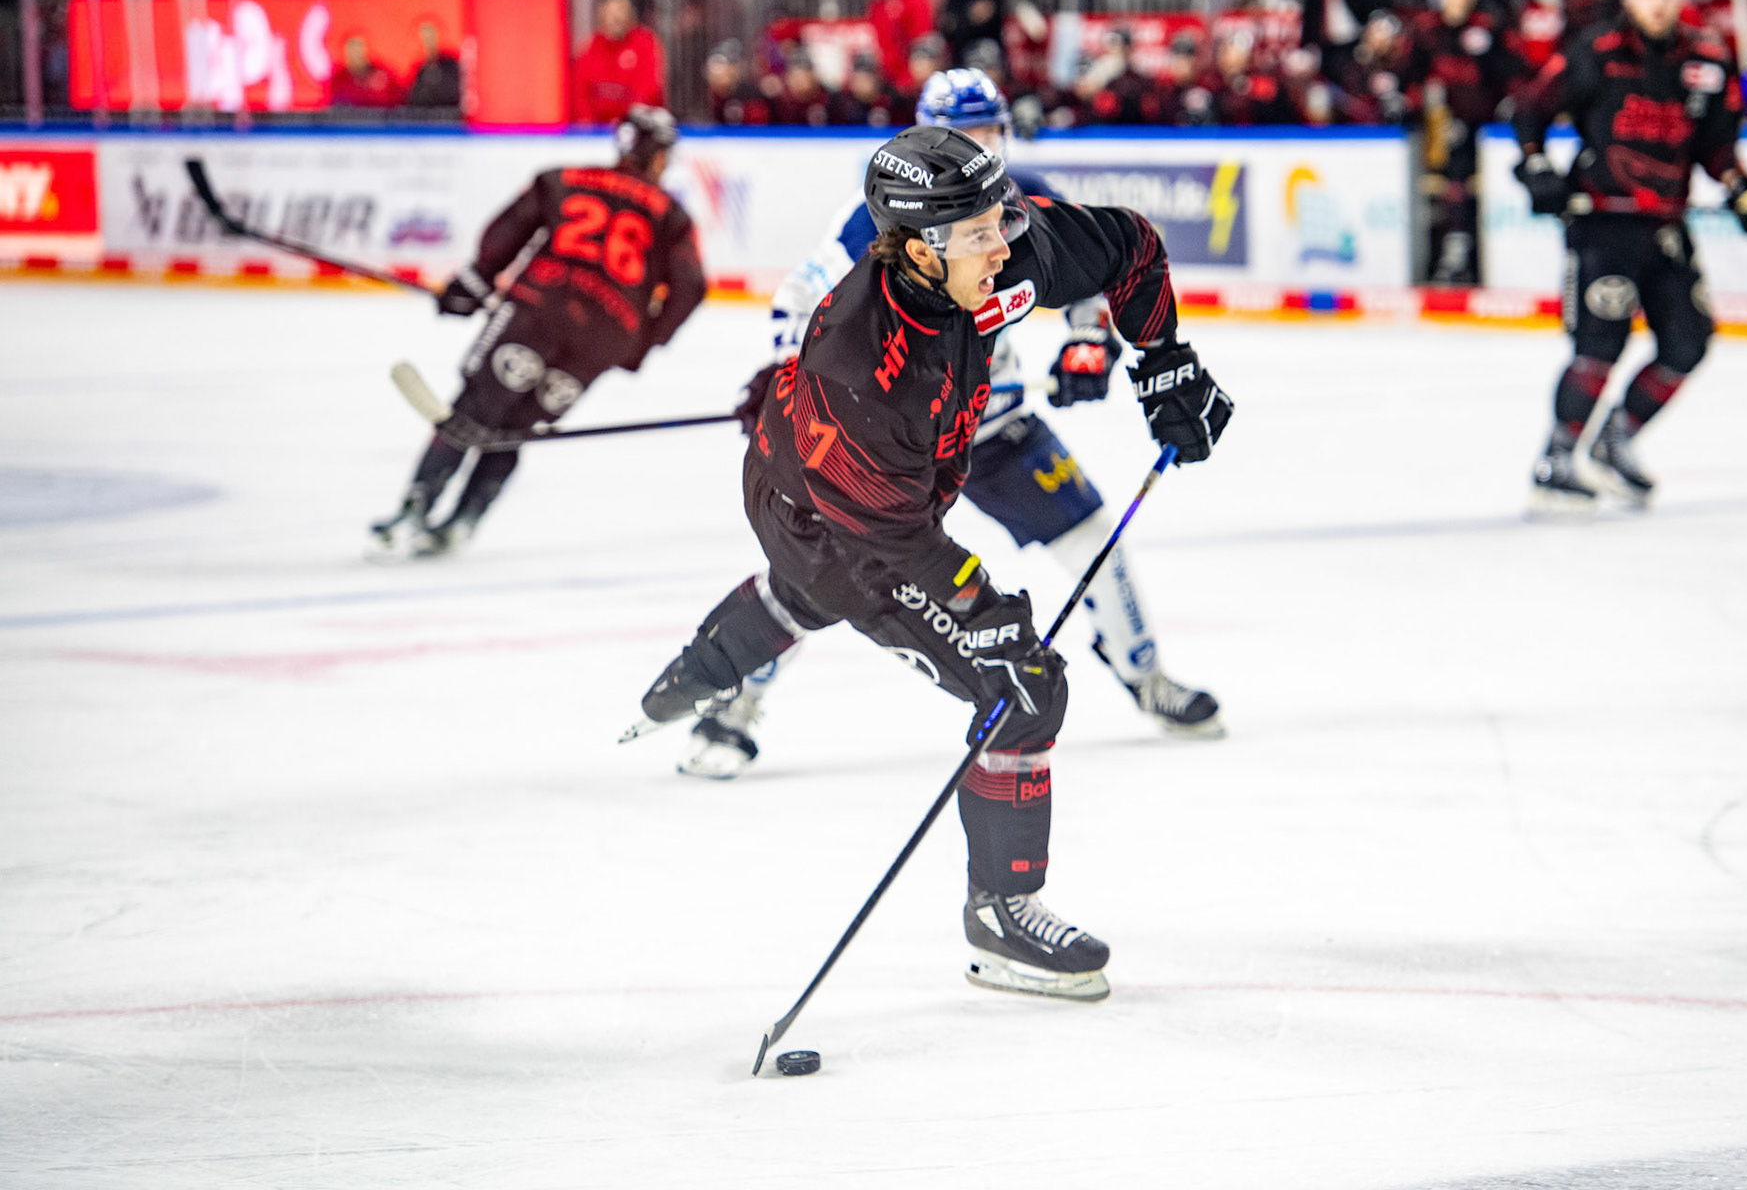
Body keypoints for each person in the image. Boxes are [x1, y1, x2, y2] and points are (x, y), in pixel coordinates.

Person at [622, 124, 1233, 1001]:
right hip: (825, 518)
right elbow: (895, 544)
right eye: (980, 231)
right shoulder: (861, 363)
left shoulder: (992, 258)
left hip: (887, 487)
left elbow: (1128, 248)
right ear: (916, 249)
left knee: (811, 601)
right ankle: (1001, 917)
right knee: (1022, 682)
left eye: (1000, 219)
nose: (1005, 241)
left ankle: (697, 673)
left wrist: (1166, 365)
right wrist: (985, 612)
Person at [677, 69, 1228, 781]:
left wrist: (1089, 338)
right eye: (961, 132)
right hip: (893, 441)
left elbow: (1087, 268)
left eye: (988, 130)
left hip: (990, 423)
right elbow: (801, 297)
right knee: (818, 569)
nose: (977, 146)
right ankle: (735, 705)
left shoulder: (1011, 199)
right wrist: (793, 378)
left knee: (1093, 536)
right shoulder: (878, 213)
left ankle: (1145, 675)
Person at [1511, 0, 1747, 514]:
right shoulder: (1597, 49)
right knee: (1600, 342)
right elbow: (1530, 108)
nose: (1657, 4)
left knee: (1688, 341)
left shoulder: (1707, 59)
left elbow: (1716, 145)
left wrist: (1742, 188)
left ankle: (1617, 439)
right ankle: (1557, 459)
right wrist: (1537, 167)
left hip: (1665, 223)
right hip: (1604, 219)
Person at [368, 108, 706, 558]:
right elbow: (692, 286)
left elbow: (505, 231)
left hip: (537, 312)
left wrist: (474, 284)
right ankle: (462, 524)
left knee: (475, 410)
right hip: (604, 339)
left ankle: (414, 512)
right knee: (516, 428)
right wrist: (640, 343)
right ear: (660, 158)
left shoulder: (562, 178)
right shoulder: (673, 215)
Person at [1406, 0, 1524, 283]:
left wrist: (1506, 105)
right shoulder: (1427, 28)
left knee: (1477, 185)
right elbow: (1411, 75)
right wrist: (1415, 101)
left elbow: (1513, 71)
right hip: (1439, 124)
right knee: (1446, 183)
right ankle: (1450, 250)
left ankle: (1471, 253)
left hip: (1486, 124)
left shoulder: (1488, 25)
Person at [571, 0, 666, 123]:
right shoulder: (589, 48)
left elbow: (649, 89)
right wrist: (587, 122)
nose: (616, 18)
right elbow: (580, 92)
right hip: (598, 129)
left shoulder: (645, 43)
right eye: (611, 13)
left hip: (637, 126)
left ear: (630, 16)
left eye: (621, 12)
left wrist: (627, 120)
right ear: (602, 15)